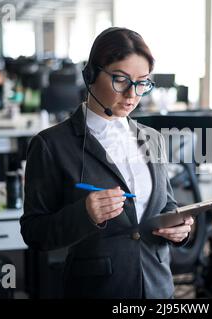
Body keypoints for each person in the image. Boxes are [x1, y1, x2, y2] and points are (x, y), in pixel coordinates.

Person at [20, 27, 193, 299]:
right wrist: (85, 214)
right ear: (90, 76)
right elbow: (34, 232)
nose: (132, 94)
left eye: (142, 82)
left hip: (158, 287)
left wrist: (179, 227)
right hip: (99, 290)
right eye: (121, 80)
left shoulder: (153, 139)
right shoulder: (51, 144)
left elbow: (165, 204)